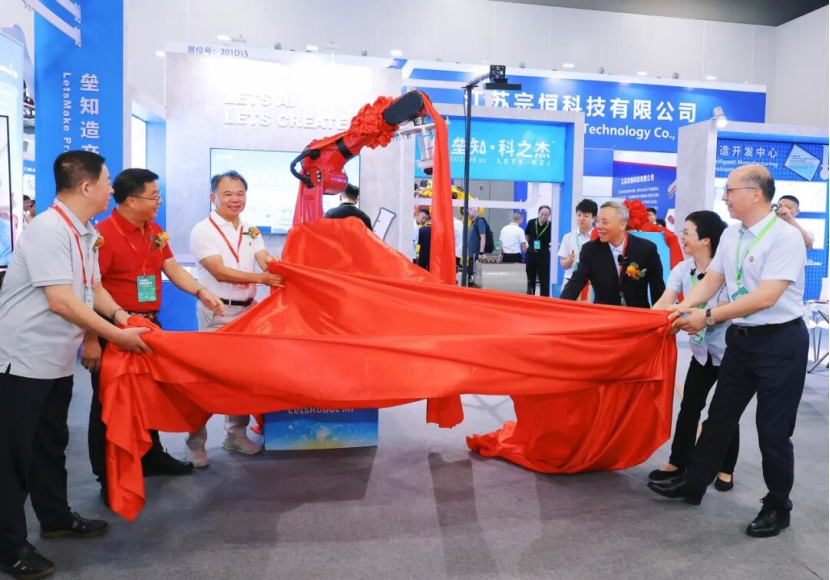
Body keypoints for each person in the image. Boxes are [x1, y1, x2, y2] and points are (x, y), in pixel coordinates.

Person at [0, 151, 152, 579]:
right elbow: (62, 301)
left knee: (50, 443)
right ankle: (9, 546)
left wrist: (120, 316)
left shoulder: (83, 231)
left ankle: (55, 517)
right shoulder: (49, 229)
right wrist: (117, 337)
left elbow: (93, 287)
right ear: (86, 187)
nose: (111, 189)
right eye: (106, 182)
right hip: (22, 359)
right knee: (12, 456)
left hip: (56, 358)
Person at [649, 164, 810, 539]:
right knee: (719, 417)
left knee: (772, 430)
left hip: (781, 343)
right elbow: (714, 279)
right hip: (742, 339)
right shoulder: (733, 235)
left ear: (755, 194)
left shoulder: (785, 237)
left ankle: (777, 507)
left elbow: (766, 297)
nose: (724, 197)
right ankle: (693, 484)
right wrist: (682, 308)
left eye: (730, 190)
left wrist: (707, 317)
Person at [85, 168, 225, 503]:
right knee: (109, 402)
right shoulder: (103, 236)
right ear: (131, 201)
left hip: (150, 327)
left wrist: (201, 291)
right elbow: (89, 290)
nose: (159, 202)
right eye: (154, 196)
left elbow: (172, 268)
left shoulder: (154, 231)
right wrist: (91, 339)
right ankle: (108, 476)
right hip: (113, 329)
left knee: (150, 393)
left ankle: (151, 456)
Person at [186, 171, 284, 467]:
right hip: (217, 312)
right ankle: (195, 442)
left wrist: (280, 268)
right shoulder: (203, 230)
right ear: (212, 197)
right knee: (209, 379)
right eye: (227, 194)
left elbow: (264, 259)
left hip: (248, 311)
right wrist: (263, 278)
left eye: (240, 193)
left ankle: (235, 434)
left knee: (243, 378)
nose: (235, 199)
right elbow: (219, 271)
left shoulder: (250, 229)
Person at [649, 211, 738, 490]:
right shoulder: (682, 268)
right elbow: (665, 301)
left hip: (729, 352)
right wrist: (648, 321)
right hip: (701, 352)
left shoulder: (726, 271)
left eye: (687, 232)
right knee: (689, 406)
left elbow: (724, 311)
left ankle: (725, 468)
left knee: (724, 411)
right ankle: (678, 461)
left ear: (706, 239)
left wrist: (686, 318)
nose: (682, 237)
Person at [560, 201, 665, 307]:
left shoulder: (646, 249)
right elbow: (576, 283)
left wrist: (660, 314)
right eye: (597, 221)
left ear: (622, 225)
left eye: (605, 222)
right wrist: (559, 307)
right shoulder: (590, 250)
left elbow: (657, 289)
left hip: (637, 314)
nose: (598, 226)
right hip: (605, 314)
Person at [558, 199, 598, 288]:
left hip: (592, 283)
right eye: (579, 215)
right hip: (570, 281)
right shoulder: (568, 237)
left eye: (586, 216)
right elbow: (563, 264)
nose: (581, 219)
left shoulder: (599, 238)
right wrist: (570, 260)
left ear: (594, 218)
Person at [525, 206, 553, 296]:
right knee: (530, 278)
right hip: (531, 253)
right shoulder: (531, 222)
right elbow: (527, 235)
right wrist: (531, 245)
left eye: (546, 215)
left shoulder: (551, 225)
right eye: (542, 214)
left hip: (544, 254)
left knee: (544, 279)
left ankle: (544, 299)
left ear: (549, 215)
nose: (543, 217)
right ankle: (530, 297)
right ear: (538, 213)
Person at [465, 205, 489, 286]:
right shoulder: (473, 222)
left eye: (471, 209)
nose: (468, 211)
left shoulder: (480, 221)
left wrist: (481, 253)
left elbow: (483, 237)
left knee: (473, 278)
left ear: (476, 210)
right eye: (468, 209)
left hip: (476, 255)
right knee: (471, 277)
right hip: (472, 255)